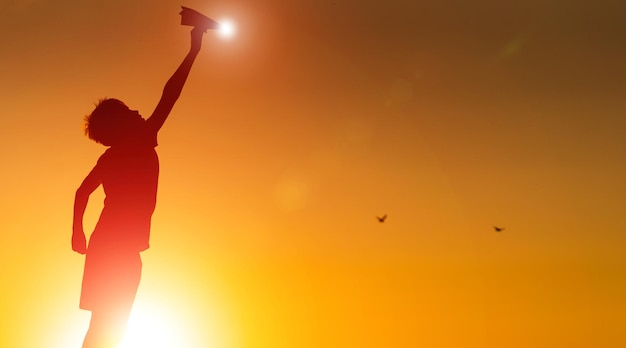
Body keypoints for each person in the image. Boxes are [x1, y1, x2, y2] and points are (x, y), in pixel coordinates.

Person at [72, 26, 205, 348]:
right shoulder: (138, 143)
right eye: (129, 111)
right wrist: (194, 48)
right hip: (115, 248)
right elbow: (169, 95)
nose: (137, 111)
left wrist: (78, 231)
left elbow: (82, 192)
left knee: (105, 322)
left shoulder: (114, 155)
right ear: (120, 126)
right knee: (111, 322)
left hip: (113, 246)